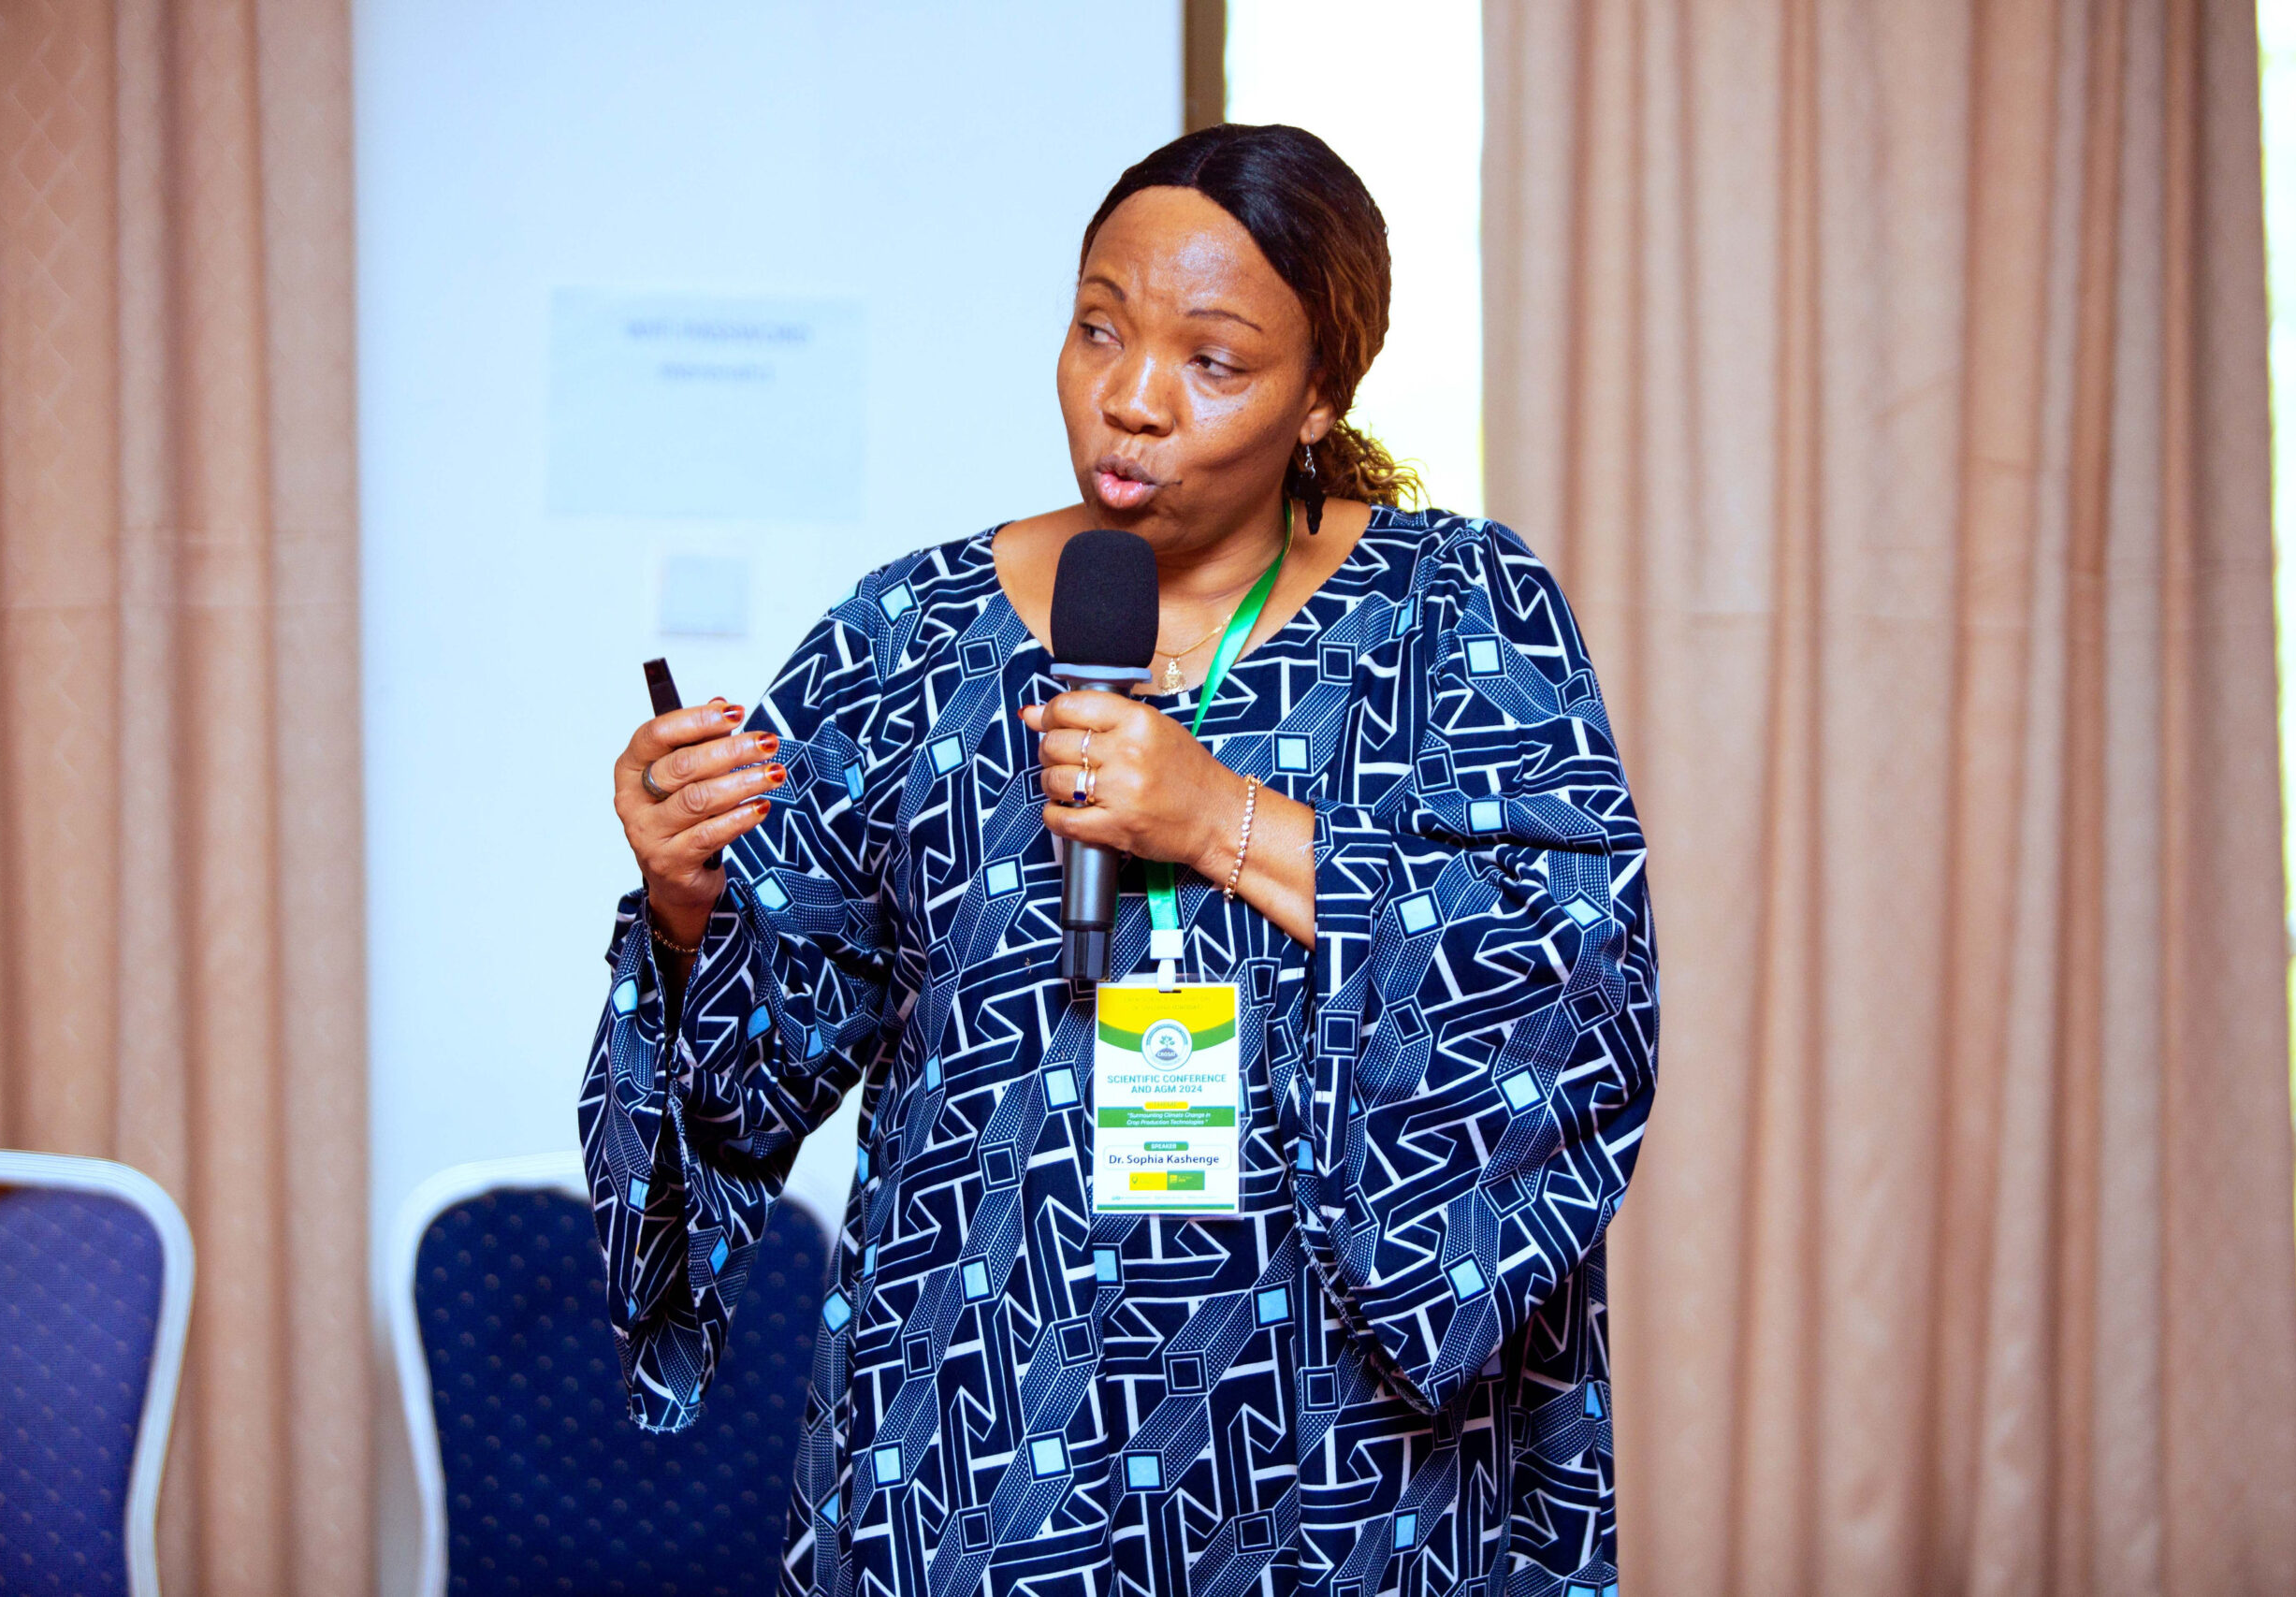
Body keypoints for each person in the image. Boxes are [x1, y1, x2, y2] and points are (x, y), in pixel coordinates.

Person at [583, 122, 1656, 1597]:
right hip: (974, 1442)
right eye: (1100, 329)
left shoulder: (1457, 614)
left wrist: (1217, 818)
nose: (1132, 398)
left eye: (1212, 361)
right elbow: (751, 1067)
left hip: (1341, 1469)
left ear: (1319, 392)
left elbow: (1572, 984)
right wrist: (684, 895)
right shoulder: (907, 640)